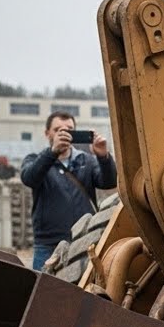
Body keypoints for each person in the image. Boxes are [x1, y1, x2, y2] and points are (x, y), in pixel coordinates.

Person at [20, 110, 115, 270]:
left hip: (83, 241)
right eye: (58, 130)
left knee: (82, 292)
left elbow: (108, 182)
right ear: (47, 133)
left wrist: (103, 157)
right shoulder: (35, 159)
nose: (64, 134)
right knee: (44, 292)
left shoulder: (87, 160)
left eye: (69, 129)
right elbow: (29, 178)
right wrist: (52, 153)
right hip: (47, 245)